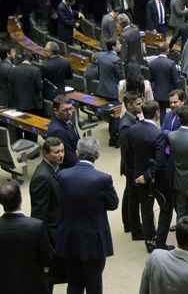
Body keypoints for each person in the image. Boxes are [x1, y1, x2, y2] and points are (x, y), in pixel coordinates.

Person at [56, 138, 118, 294]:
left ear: (77, 153)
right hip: (94, 241)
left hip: (70, 238)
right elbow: (113, 204)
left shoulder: (62, 175)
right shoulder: (103, 179)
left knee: (74, 283)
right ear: (97, 155)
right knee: (94, 284)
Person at [0, 180, 53, 294]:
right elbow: (47, 257)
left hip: (3, 283)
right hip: (33, 282)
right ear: (20, 199)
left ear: (1, 202)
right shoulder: (37, 226)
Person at [128, 101, 166, 252]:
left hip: (136, 174)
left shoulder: (132, 130)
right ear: (157, 112)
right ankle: (155, 240)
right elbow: (160, 160)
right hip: (153, 178)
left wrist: (136, 173)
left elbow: (128, 154)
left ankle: (148, 239)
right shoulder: (158, 134)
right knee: (163, 206)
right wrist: (147, 175)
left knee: (145, 208)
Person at [30, 136, 66, 289]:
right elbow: (39, 215)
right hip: (51, 236)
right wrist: (44, 244)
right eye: (56, 152)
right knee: (49, 278)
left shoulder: (55, 168)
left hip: (58, 229)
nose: (61, 155)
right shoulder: (42, 177)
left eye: (62, 151)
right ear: (45, 154)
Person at [119, 92, 144, 240]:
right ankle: (135, 230)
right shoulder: (126, 125)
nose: (141, 106)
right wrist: (133, 171)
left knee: (129, 195)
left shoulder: (131, 120)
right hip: (132, 167)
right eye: (138, 104)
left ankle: (128, 224)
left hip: (131, 167)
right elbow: (127, 152)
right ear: (129, 105)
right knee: (133, 199)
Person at [46, 95, 80, 169]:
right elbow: (69, 159)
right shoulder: (59, 131)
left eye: (70, 109)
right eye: (65, 110)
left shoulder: (65, 120)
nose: (69, 112)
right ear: (56, 111)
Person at [149, 43, 180, 120]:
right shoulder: (171, 63)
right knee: (171, 113)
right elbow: (176, 81)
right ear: (167, 51)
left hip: (156, 94)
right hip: (169, 94)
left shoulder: (152, 63)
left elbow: (151, 79)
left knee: (161, 112)